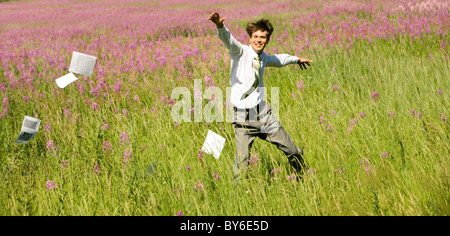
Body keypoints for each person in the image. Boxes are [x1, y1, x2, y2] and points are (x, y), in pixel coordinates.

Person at [207, 11, 312, 180]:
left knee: (292, 151)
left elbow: (279, 59)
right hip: (242, 118)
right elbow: (229, 41)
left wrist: (296, 59)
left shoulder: (263, 58)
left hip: (263, 115)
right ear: (250, 38)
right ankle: (237, 198)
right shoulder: (240, 52)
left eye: (263, 37)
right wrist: (220, 25)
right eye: (255, 36)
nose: (258, 40)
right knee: (241, 167)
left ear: (267, 40)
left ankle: (303, 178)